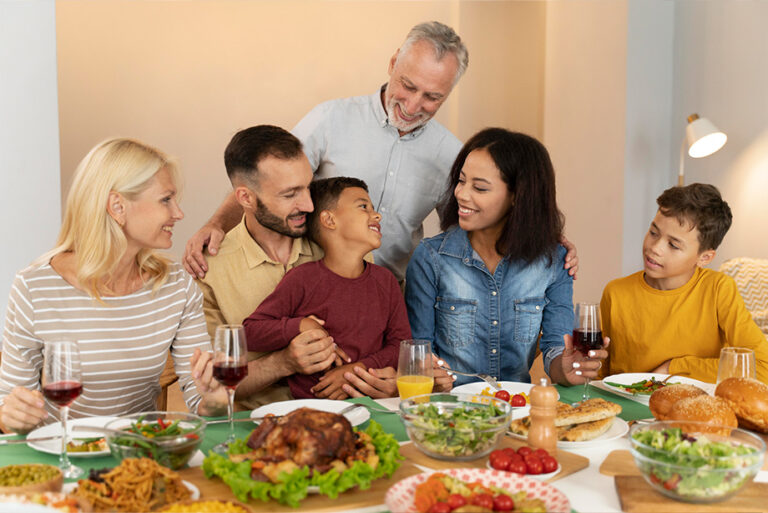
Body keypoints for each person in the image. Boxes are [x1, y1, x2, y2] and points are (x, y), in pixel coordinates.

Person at [182, 21, 579, 283]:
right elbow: (268, 180)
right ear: (393, 64)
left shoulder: (452, 156)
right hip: (310, 281)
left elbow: (480, 221)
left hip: (392, 292)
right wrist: (217, 223)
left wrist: (550, 240)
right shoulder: (331, 118)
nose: (413, 104)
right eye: (407, 85)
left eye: (432, 96)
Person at [197, 126, 452, 407]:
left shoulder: (346, 247)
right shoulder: (209, 268)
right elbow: (208, 390)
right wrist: (283, 362)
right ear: (245, 198)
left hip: (355, 412)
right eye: (290, 194)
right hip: (256, 422)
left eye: (307, 186)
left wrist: (382, 379)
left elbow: (389, 346)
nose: (308, 204)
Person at [0, 138, 226, 434]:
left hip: (139, 457)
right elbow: (10, 406)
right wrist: (9, 417)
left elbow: (202, 402)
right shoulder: (34, 287)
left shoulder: (176, 285)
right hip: (59, 458)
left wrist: (215, 397)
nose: (178, 213)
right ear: (117, 206)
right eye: (165, 199)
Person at [405, 128, 607, 387]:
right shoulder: (431, 258)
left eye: (479, 187)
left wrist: (569, 368)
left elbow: (557, 349)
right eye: (461, 180)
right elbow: (418, 353)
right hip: (451, 413)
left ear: (517, 196)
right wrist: (430, 375)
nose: (461, 194)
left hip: (518, 410)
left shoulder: (555, 261)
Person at [243, 177, 412, 400]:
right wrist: (301, 325)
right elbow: (249, 332)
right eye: (363, 206)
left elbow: (401, 345)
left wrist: (356, 370)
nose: (376, 215)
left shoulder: (386, 281)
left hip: (374, 407)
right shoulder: (302, 279)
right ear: (329, 220)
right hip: (311, 412)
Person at [600, 183, 768, 383]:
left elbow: (761, 367)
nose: (655, 248)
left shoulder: (718, 289)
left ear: (704, 258)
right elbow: (599, 374)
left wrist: (676, 367)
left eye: (673, 245)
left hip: (691, 408)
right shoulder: (616, 292)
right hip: (626, 409)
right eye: (654, 232)